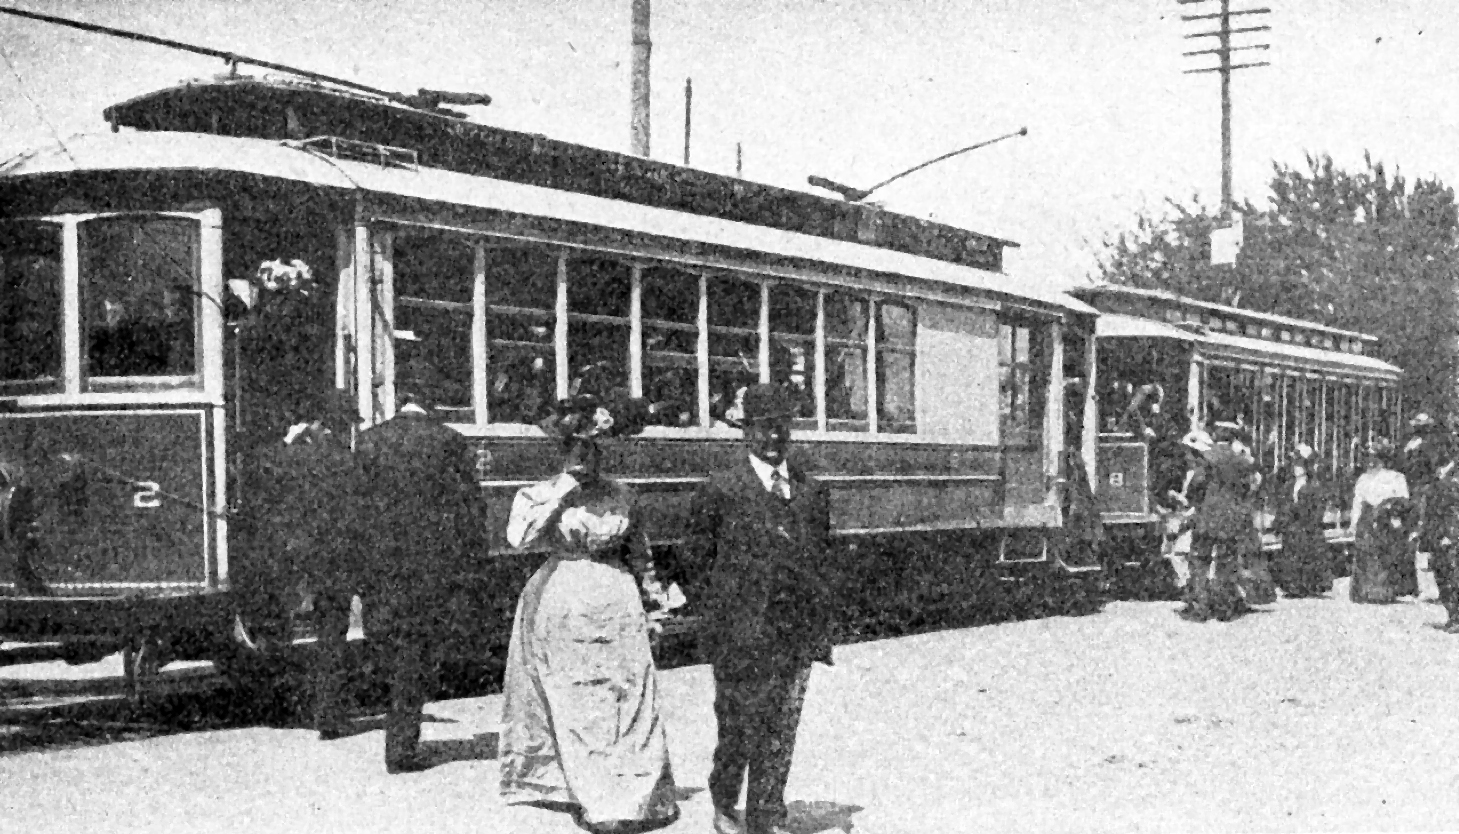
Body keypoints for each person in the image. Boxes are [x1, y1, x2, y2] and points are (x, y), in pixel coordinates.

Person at [497, 392, 679, 834]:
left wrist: (655, 600)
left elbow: (641, 554)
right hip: (562, 602)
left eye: (593, 449)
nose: (587, 458)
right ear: (563, 451)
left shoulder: (621, 495)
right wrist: (564, 489)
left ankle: (634, 794)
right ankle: (591, 797)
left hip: (617, 603)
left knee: (626, 695)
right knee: (575, 698)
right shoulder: (541, 494)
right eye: (577, 449)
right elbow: (517, 538)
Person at [681, 383, 837, 834]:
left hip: (793, 631)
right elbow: (695, 561)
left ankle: (768, 812)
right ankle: (725, 804)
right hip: (739, 633)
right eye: (763, 429)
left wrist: (818, 628)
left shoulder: (811, 491)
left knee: (781, 725)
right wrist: (720, 616)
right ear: (746, 432)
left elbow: (823, 562)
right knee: (737, 722)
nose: (773, 439)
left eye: (781, 429)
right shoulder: (721, 489)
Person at [355, 379, 486, 773]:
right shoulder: (449, 441)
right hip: (431, 567)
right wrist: (471, 561)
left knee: (391, 648)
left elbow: (355, 509)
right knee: (415, 653)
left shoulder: (368, 441)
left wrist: (358, 565)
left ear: (400, 402)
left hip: (382, 567)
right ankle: (401, 747)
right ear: (431, 402)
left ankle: (398, 735)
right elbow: (469, 509)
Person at [1182, 423, 1259, 622]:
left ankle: (1200, 607)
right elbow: (1248, 488)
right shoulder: (1241, 461)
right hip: (1231, 520)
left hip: (1207, 518)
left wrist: (1193, 500)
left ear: (1218, 434)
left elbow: (1197, 483)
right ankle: (1224, 608)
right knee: (1226, 563)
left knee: (1200, 561)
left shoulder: (1208, 457)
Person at [1349, 440, 1413, 604]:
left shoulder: (1395, 477)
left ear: (1383, 459)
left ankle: (1384, 592)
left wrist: (1395, 515)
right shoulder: (1363, 479)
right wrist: (1354, 523)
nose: (1371, 462)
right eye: (1368, 458)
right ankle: (1365, 591)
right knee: (1366, 554)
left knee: (1385, 555)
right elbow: (1358, 501)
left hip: (1386, 519)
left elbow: (1404, 500)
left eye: (1375, 458)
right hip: (1368, 519)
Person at [1272, 444, 1333, 598]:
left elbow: (1318, 509)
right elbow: (1283, 505)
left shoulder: (1314, 485)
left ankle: (1310, 585)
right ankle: (1293, 586)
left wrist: (1306, 519)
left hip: (1307, 527)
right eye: (1294, 464)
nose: (1295, 467)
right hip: (1291, 528)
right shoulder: (1289, 485)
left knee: (1307, 553)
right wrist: (1280, 522)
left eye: (1299, 464)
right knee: (1290, 554)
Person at [1421, 454, 1459, 631]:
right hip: (1444, 538)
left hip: (1447, 538)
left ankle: (1455, 617)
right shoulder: (1438, 488)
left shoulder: (1445, 488)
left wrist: (1448, 535)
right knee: (1446, 577)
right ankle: (1453, 616)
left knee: (1448, 578)